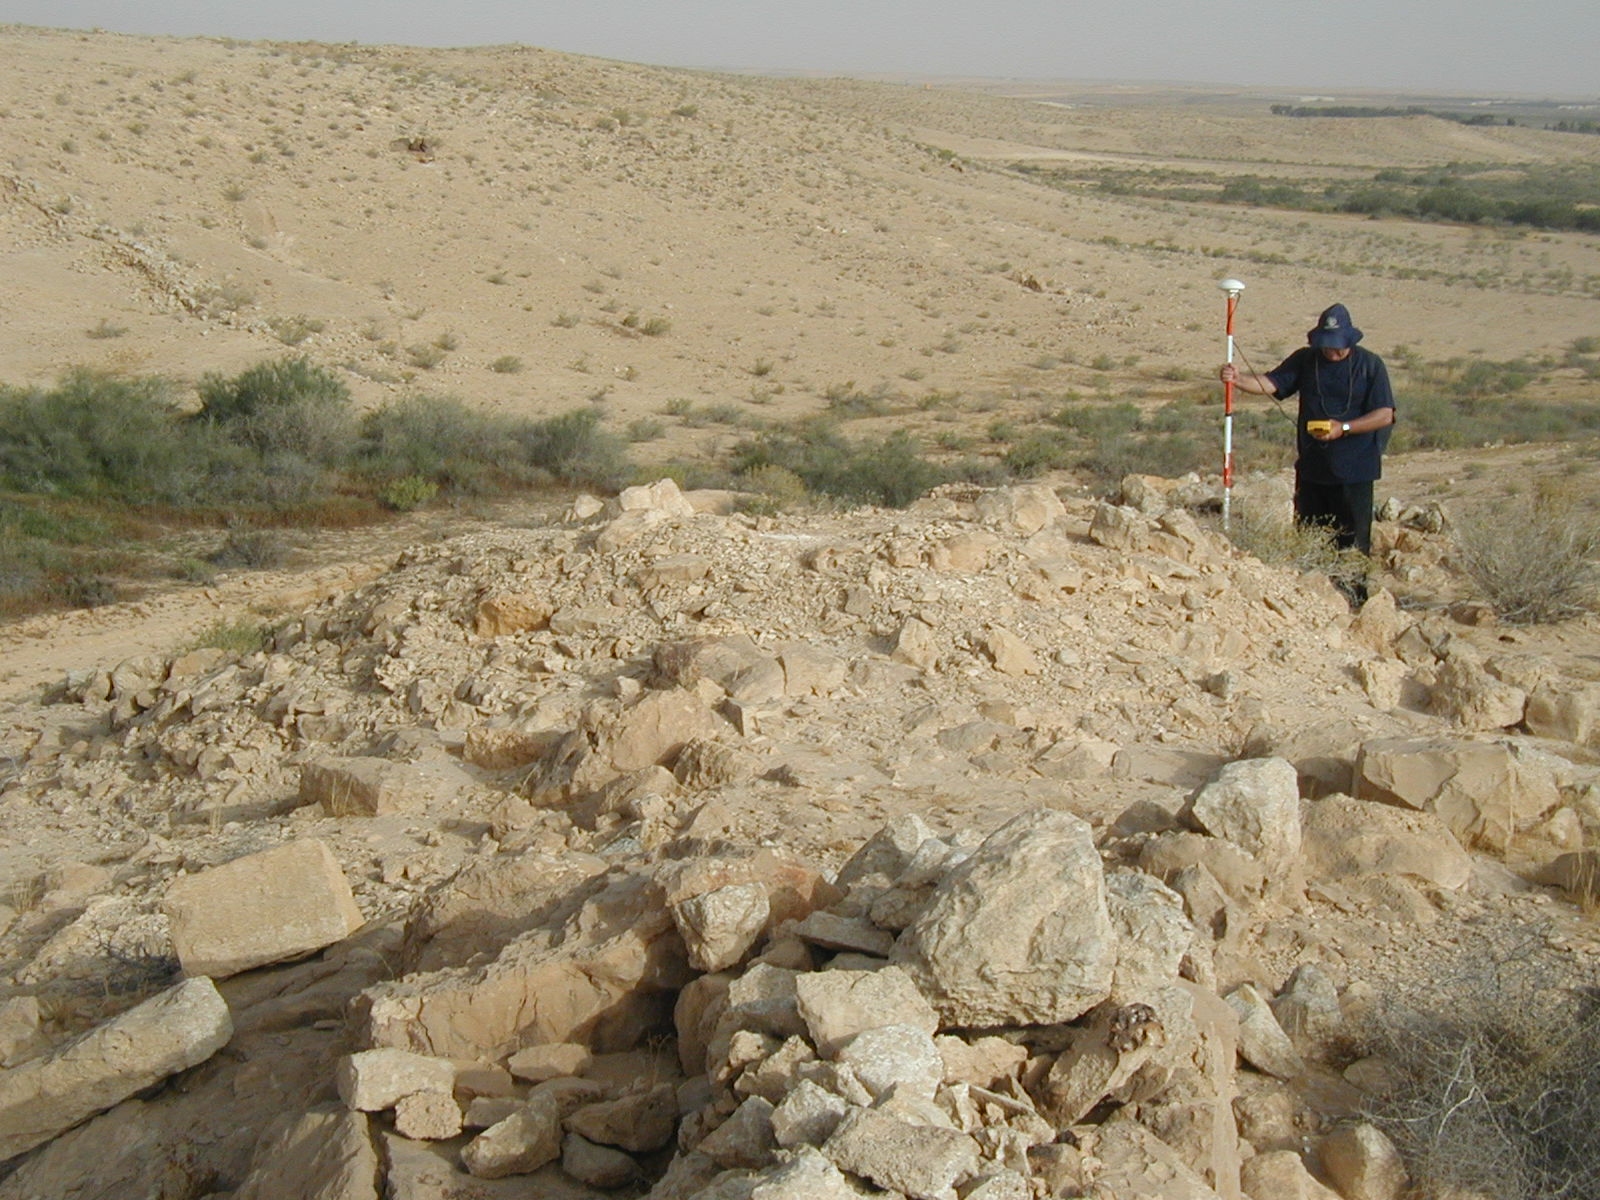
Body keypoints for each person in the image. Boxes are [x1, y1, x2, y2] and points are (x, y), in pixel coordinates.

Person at [1219, 302, 1395, 598]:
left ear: (1350, 341)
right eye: (1327, 345)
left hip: (1355, 471)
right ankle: (1311, 599)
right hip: (1313, 467)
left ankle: (1352, 601)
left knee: (1352, 543)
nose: (1332, 352)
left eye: (1338, 346)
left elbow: (1384, 414)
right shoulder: (1306, 360)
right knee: (1309, 536)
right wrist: (1238, 380)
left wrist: (1344, 428)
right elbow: (1272, 383)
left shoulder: (1370, 365)